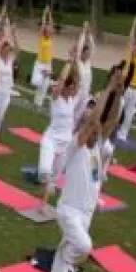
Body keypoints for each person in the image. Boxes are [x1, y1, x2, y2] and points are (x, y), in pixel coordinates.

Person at [40, 63, 127, 272]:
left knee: (63, 260)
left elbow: (111, 121)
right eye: (91, 124)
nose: (95, 128)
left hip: (86, 214)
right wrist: (109, 87)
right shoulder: (74, 146)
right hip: (69, 211)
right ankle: (67, 260)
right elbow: (94, 119)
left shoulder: (97, 148)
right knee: (85, 247)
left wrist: (119, 93)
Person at [36, 63, 80, 214]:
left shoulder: (71, 101)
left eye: (74, 88)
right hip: (51, 139)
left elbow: (79, 81)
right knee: (44, 170)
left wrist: (76, 62)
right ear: (66, 88)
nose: (74, 91)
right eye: (71, 88)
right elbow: (61, 82)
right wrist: (67, 65)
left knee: (54, 179)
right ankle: (43, 194)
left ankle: (43, 203)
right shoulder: (56, 98)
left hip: (65, 143)